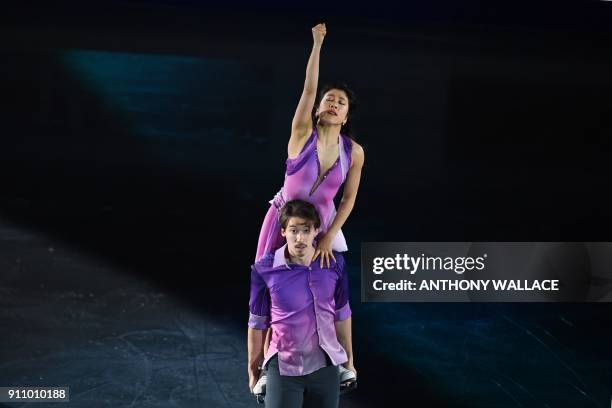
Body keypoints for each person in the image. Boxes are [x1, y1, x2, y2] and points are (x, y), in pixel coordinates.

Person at [255, 22, 365, 270]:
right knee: (267, 282)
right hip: (284, 221)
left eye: (341, 103)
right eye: (329, 100)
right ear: (317, 109)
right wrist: (317, 44)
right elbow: (308, 90)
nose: (334, 104)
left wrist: (328, 236)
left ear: (345, 117)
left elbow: (348, 200)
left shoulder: (354, 152)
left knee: (317, 290)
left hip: (321, 227)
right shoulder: (302, 134)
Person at [248, 199, 356, 408]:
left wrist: (349, 360)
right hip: (284, 368)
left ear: (316, 230)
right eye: (293, 230)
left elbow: (342, 314)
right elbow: (257, 323)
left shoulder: (335, 264)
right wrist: (252, 370)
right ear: (283, 232)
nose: (299, 238)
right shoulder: (264, 269)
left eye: (306, 230)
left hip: (326, 367)